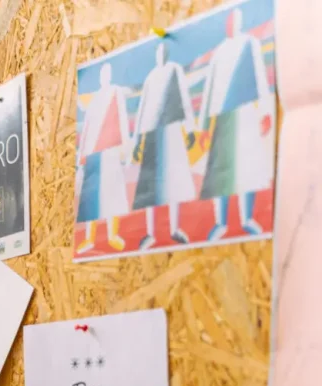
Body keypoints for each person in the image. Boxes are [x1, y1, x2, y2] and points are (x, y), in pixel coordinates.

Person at [197, 7, 273, 240]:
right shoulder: (219, 53)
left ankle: (247, 219)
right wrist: (203, 127)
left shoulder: (250, 44)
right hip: (222, 117)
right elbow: (209, 90)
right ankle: (221, 222)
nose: (231, 25)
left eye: (235, 21)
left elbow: (260, 76)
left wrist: (265, 111)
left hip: (246, 111)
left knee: (247, 168)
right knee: (222, 173)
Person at [131, 41, 198, 250]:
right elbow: (142, 109)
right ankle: (150, 233)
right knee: (151, 187)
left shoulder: (175, 70)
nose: (162, 55)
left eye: (165, 51)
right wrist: (137, 141)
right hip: (151, 133)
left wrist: (190, 128)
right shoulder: (151, 77)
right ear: (156, 55)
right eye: (159, 51)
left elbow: (184, 99)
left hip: (170, 129)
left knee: (173, 182)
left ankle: (175, 229)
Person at [75, 62, 131, 254]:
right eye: (102, 74)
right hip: (93, 153)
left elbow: (122, 118)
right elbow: (87, 126)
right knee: (91, 199)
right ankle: (90, 238)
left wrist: (126, 146)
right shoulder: (95, 98)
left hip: (110, 149)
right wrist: (82, 153)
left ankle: (112, 235)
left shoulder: (116, 92)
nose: (104, 77)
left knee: (112, 193)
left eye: (107, 73)